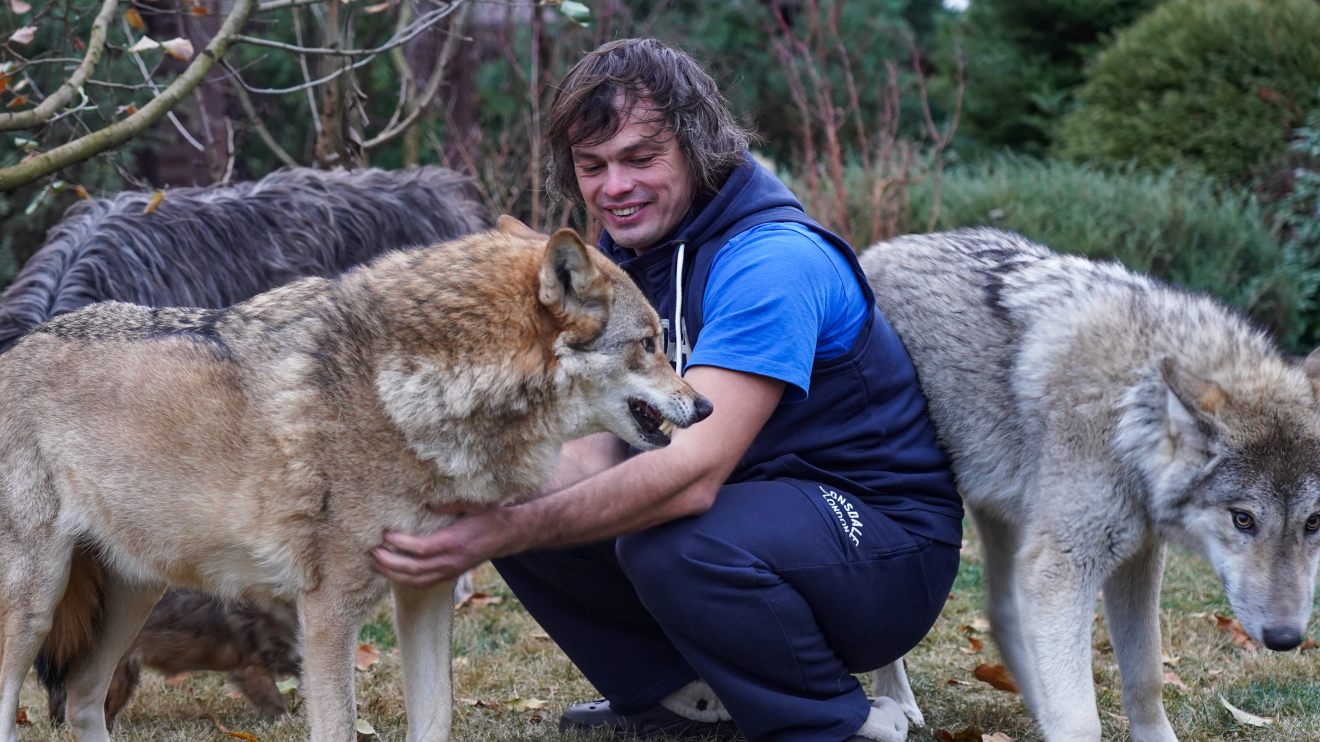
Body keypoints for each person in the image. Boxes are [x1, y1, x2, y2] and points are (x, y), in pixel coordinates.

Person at [372, 38, 963, 742]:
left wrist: (508, 527)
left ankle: (833, 721)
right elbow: (590, 459)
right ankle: (683, 702)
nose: (613, 187)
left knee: (674, 542)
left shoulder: (771, 261)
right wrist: (451, 489)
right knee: (510, 483)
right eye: (592, 167)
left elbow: (689, 476)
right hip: (752, 521)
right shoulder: (630, 250)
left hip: (881, 548)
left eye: (639, 158)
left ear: (696, 147)